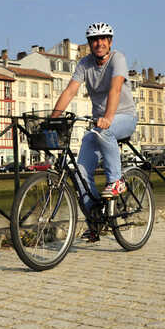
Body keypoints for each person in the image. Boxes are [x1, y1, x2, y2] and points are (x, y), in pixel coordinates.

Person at [51, 22, 138, 235]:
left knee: (103, 131)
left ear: (109, 42)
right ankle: (95, 219)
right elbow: (70, 91)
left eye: (103, 39)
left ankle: (116, 181)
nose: (99, 43)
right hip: (100, 123)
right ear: (89, 44)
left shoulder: (118, 58)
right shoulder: (84, 64)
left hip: (124, 117)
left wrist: (108, 117)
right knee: (79, 171)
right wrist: (53, 118)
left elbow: (116, 88)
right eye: (94, 40)